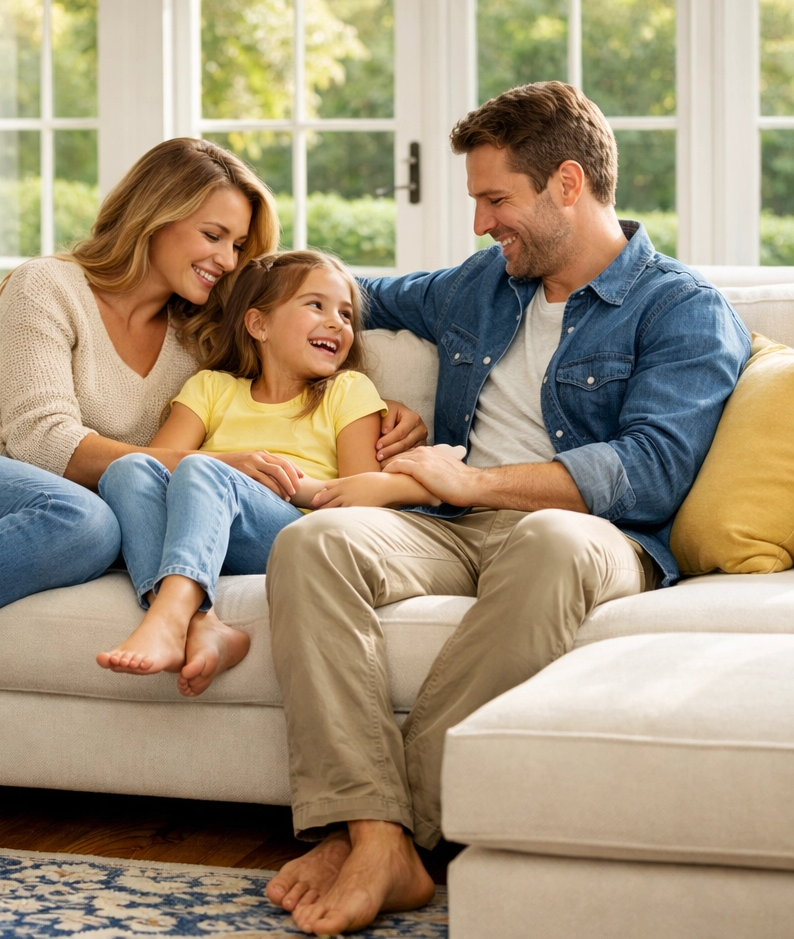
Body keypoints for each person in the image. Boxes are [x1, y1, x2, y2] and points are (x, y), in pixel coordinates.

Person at [0, 138, 424, 857]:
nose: (228, 260)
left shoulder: (196, 335)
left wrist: (388, 409)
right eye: (213, 235)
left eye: (238, 244)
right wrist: (198, 461)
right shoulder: (49, 285)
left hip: (46, 526)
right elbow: (44, 440)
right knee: (82, 519)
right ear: (155, 216)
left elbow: (290, 341)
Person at [262, 81, 752, 935]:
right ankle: (376, 835)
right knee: (317, 542)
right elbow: (346, 294)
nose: (483, 223)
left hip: (592, 535)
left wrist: (473, 482)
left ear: (568, 184)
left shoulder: (681, 308)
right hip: (448, 528)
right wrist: (229, 280)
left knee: (550, 542)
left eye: (496, 199)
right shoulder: (479, 285)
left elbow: (653, 469)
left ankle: (386, 838)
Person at [98, 250, 388, 696]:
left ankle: (170, 615)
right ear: (259, 325)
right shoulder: (211, 387)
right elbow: (154, 465)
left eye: (346, 314)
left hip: (284, 535)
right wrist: (225, 467)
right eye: (316, 305)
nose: (337, 323)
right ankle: (203, 625)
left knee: (200, 468)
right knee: (126, 469)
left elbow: (361, 501)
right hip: (200, 532)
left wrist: (266, 482)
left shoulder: (348, 391)